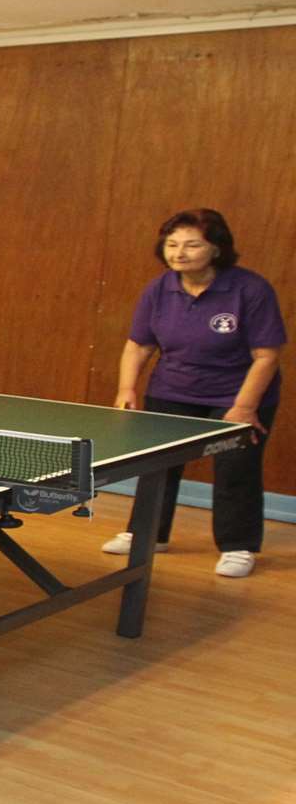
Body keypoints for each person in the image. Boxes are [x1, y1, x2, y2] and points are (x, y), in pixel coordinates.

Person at [102, 208, 284, 578]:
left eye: (191, 244)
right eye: (171, 244)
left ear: (216, 248)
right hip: (172, 388)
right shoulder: (159, 288)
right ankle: (148, 535)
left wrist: (244, 407)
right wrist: (127, 388)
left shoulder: (250, 290)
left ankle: (238, 546)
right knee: (158, 463)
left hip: (235, 394)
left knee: (236, 469)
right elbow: (138, 345)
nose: (178, 253)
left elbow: (267, 356)